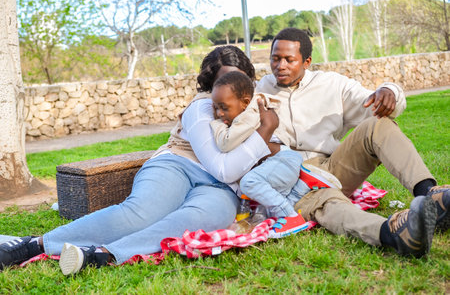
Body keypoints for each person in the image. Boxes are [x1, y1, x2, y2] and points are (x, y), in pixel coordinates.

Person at [0, 46, 278, 275]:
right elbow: (222, 168)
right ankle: (35, 245)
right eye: (223, 81)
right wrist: (264, 133)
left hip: (219, 188)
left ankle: (101, 255)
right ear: (210, 84)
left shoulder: (254, 106)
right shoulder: (203, 107)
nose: (232, 88)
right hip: (178, 165)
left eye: (240, 80)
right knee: (143, 213)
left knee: (208, 217)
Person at [255, 27, 449, 257]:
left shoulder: (332, 84)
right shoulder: (257, 89)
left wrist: (389, 92)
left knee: (377, 125)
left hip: (333, 168)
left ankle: (431, 197)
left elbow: (376, 99)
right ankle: (394, 232)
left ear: (306, 62)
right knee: (327, 204)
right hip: (289, 180)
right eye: (275, 59)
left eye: (289, 59)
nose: (281, 65)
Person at [210, 71, 341, 238]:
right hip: (280, 164)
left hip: (282, 160)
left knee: (249, 183)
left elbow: (225, 143)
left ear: (244, 103)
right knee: (274, 201)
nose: (219, 114)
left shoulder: (248, 115)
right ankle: (304, 184)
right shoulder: (244, 113)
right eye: (215, 108)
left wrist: (214, 123)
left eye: (224, 107)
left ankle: (290, 218)